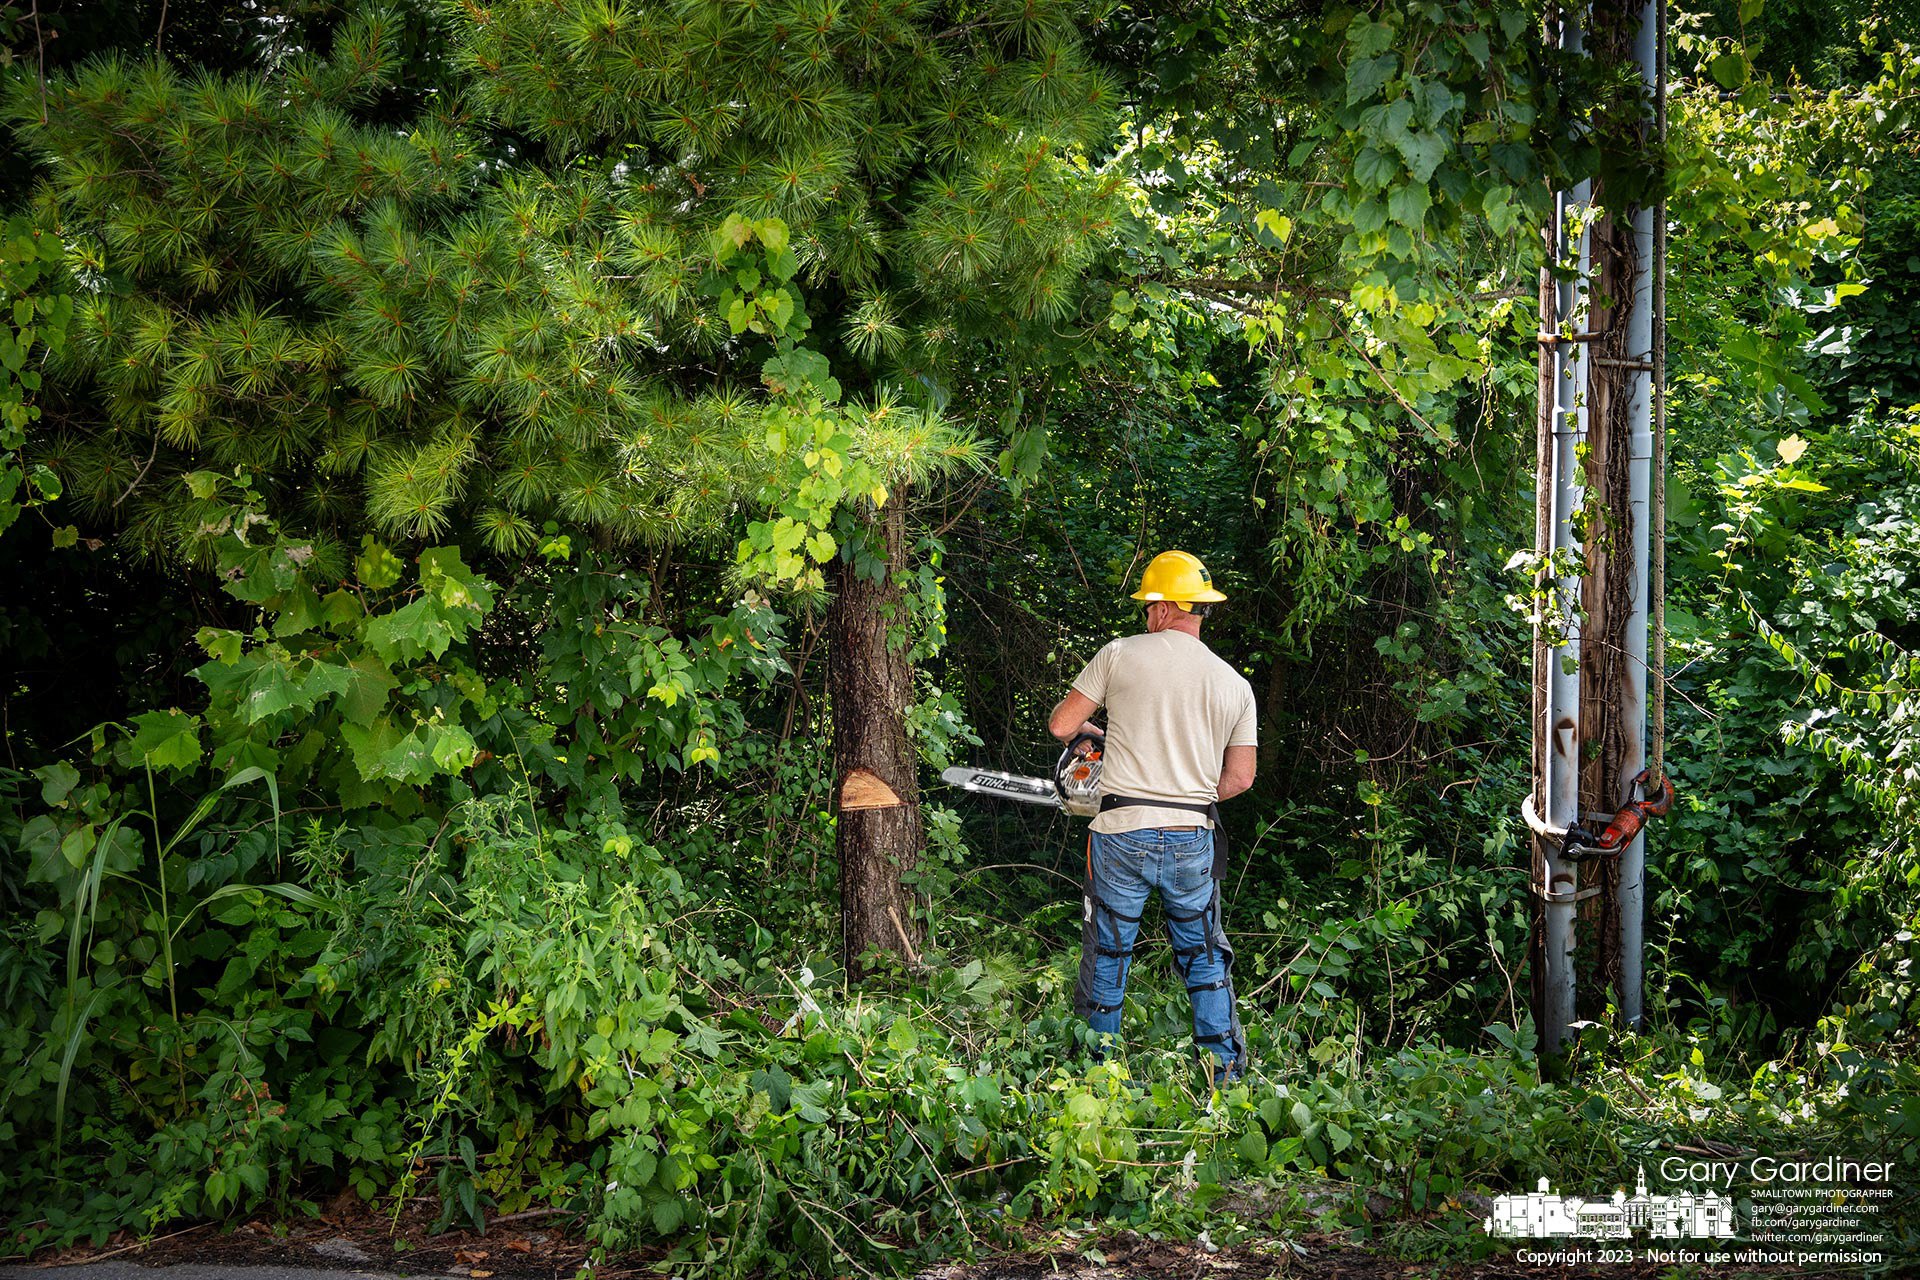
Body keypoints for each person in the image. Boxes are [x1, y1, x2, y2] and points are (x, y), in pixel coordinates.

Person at [1049, 549, 1257, 1082]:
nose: (1146, 616)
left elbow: (1061, 725)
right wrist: (1180, 791)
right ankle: (1224, 1078)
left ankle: (1096, 1080)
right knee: (1205, 956)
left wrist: (1097, 734)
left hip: (1120, 833)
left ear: (1164, 607)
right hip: (1193, 834)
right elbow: (1239, 779)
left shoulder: (1120, 654)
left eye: (1148, 606)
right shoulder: (1234, 684)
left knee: (1109, 955)